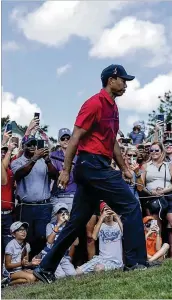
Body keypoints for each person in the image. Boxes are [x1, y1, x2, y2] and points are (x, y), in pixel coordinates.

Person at [34, 64, 150, 284]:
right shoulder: (94, 103)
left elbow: (112, 142)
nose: (126, 84)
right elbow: (75, 136)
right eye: (123, 80)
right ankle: (136, 262)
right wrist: (66, 170)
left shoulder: (113, 107)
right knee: (130, 205)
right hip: (91, 165)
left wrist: (125, 167)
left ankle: (45, 268)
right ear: (111, 79)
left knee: (76, 221)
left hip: (97, 165)